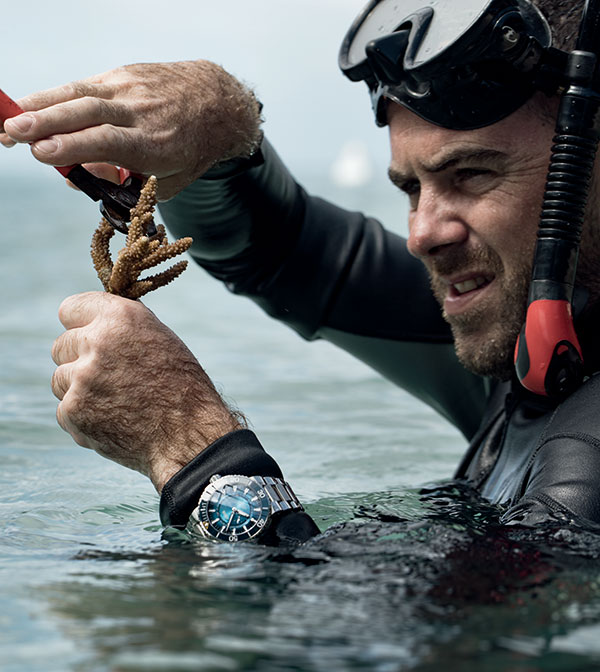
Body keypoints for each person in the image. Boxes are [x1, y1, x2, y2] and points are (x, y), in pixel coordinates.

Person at [3, 0, 600, 544]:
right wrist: (221, 127)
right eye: (413, 189)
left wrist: (190, 448)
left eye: (473, 175)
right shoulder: (536, 344)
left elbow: (370, 642)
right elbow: (281, 252)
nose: (422, 234)